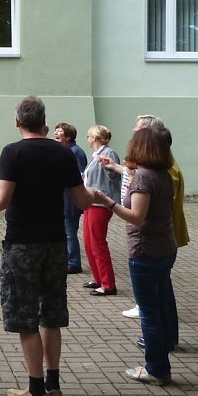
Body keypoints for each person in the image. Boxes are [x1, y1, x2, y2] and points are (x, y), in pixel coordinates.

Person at [0, 96, 100, 396]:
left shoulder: (13, 152)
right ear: (45, 123)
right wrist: (101, 196)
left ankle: (36, 391)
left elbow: (0, 201)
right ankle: (54, 386)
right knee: (51, 314)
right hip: (55, 244)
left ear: (17, 122)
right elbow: (82, 200)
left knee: (25, 317)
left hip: (23, 244)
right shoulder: (63, 153)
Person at [93, 128, 177, 385]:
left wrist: (107, 202)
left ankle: (156, 369)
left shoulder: (143, 178)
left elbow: (136, 217)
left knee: (149, 312)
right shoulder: (164, 175)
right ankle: (161, 361)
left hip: (145, 250)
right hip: (164, 247)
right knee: (159, 306)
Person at [82, 125, 121, 296]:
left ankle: (108, 284)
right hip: (91, 202)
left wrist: (108, 167)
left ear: (95, 137)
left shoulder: (109, 153)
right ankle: (98, 278)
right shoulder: (95, 155)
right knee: (89, 243)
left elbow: (114, 176)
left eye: (89, 136)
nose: (88, 139)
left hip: (101, 204)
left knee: (98, 243)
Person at [53, 123, 88, 273]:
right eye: (55, 131)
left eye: (59, 131)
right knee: (64, 232)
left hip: (70, 199)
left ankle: (74, 263)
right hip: (63, 198)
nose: (56, 133)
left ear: (68, 136)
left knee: (69, 233)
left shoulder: (75, 152)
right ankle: (66, 260)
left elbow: (80, 176)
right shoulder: (65, 150)